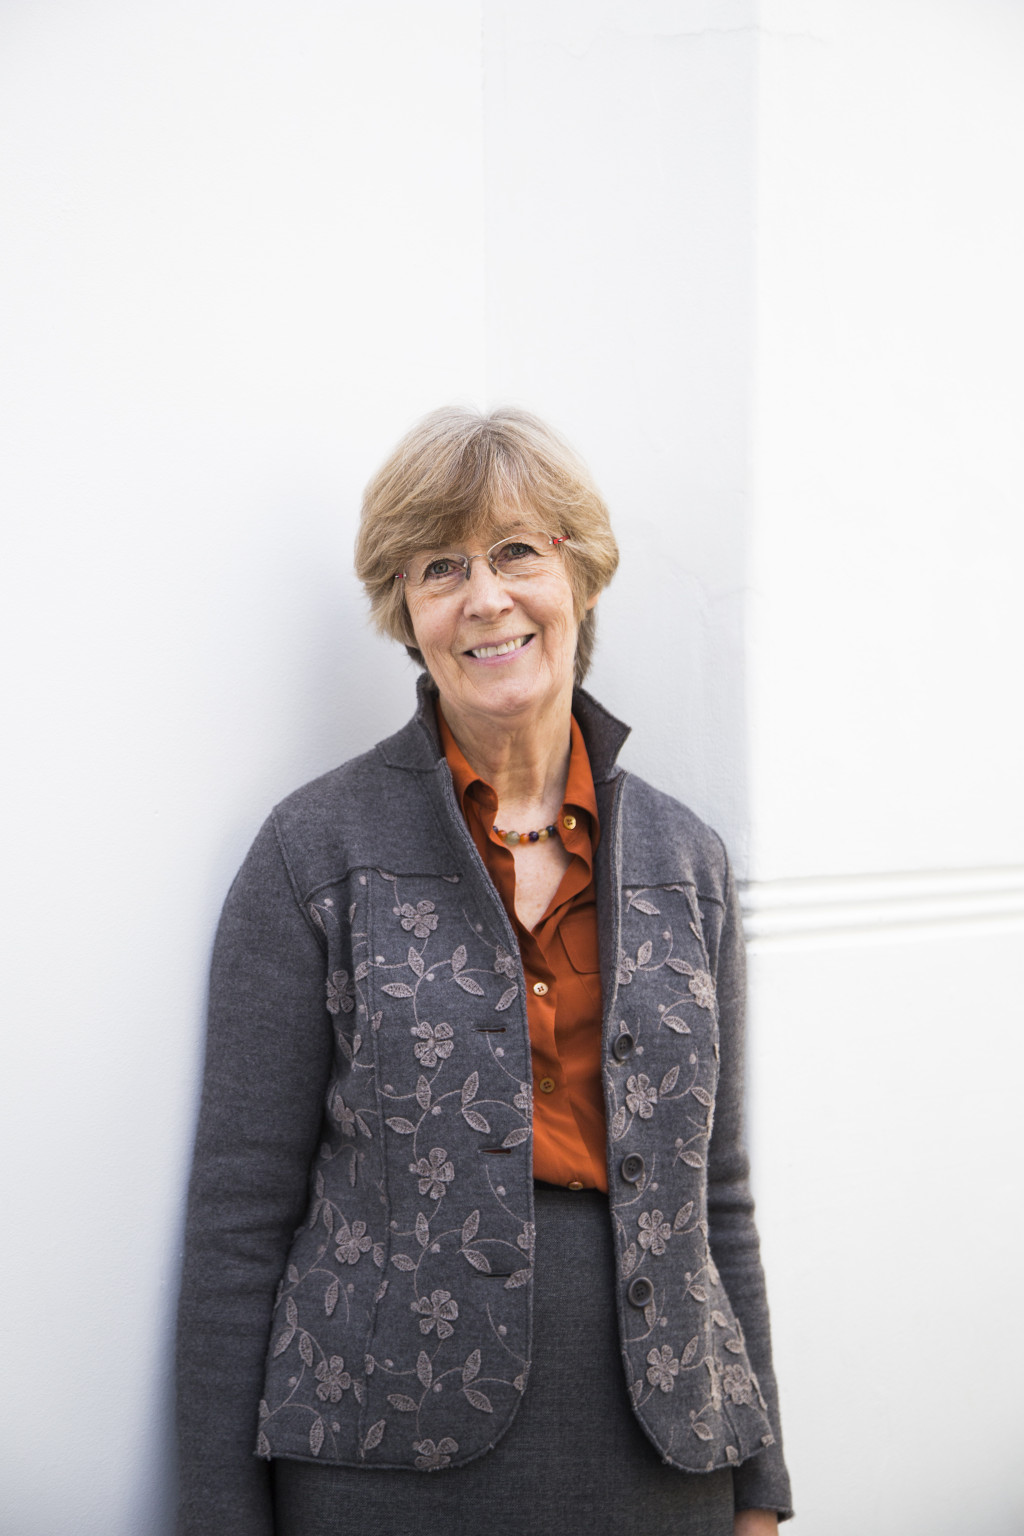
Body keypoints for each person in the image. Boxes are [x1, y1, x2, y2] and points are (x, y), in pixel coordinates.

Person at [176, 407, 793, 1536]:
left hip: (661, 1452)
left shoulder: (687, 862)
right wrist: (219, 1512)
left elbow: (721, 1191)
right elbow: (236, 1217)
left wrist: (759, 1483)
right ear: (406, 613)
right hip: (380, 1463)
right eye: (440, 567)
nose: (485, 596)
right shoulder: (313, 853)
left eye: (518, 551)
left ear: (581, 577)